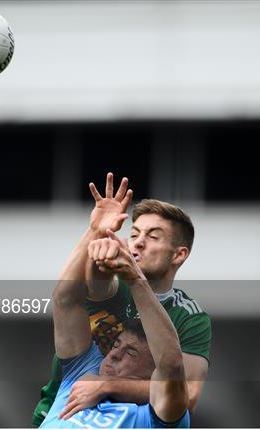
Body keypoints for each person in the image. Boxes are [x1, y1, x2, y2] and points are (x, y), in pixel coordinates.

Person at [33, 173, 211, 426]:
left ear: (179, 255)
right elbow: (73, 293)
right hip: (64, 401)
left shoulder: (189, 317)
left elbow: (186, 394)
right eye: (135, 233)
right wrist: (96, 231)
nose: (138, 243)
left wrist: (107, 385)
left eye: (153, 236)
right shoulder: (114, 286)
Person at [40, 218, 191, 427]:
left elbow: (171, 366)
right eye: (117, 344)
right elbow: (65, 299)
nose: (113, 354)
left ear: (152, 373)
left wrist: (135, 279)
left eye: (131, 353)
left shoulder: (153, 416)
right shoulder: (85, 368)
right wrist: (95, 229)